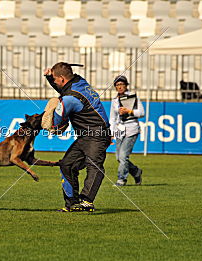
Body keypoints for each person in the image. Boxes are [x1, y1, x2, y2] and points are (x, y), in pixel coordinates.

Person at [44, 62, 111, 212]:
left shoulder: (70, 99)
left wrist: (49, 122)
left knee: (95, 166)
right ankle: (72, 203)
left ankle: (87, 201)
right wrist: (50, 78)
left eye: (55, 80)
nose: (54, 83)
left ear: (61, 78)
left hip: (97, 135)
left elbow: (56, 125)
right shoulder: (80, 81)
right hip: (85, 136)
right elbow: (65, 88)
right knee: (67, 164)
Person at [109, 75, 145, 186]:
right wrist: (111, 133)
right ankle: (135, 171)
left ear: (126, 85)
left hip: (132, 128)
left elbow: (142, 113)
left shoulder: (133, 98)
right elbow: (113, 118)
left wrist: (129, 111)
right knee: (119, 157)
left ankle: (121, 179)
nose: (120, 87)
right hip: (120, 130)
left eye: (122, 84)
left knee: (123, 156)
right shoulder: (114, 100)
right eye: (117, 85)